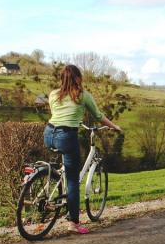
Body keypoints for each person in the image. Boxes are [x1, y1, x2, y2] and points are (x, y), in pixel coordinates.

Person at [44, 65, 121, 234]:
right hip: (66, 136)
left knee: (65, 169)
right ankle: (73, 223)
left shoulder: (53, 94)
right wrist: (114, 126)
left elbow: (58, 114)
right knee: (73, 181)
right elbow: (99, 116)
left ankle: (57, 190)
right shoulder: (83, 96)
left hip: (49, 133)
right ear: (78, 78)